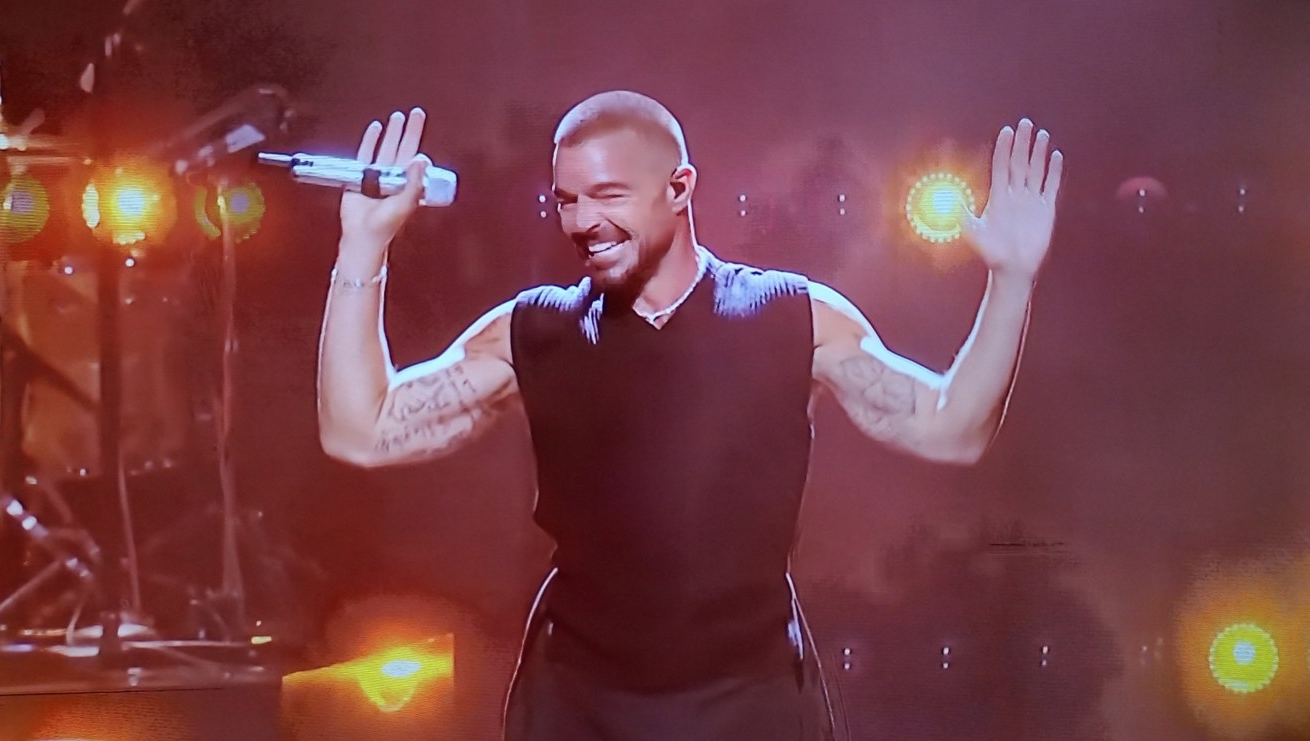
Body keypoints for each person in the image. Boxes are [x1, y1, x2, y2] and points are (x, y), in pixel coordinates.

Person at [316, 90, 1062, 741]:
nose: (583, 221)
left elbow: (951, 429)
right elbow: (361, 431)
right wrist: (363, 247)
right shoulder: (536, 329)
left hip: (750, 702)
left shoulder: (788, 316)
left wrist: (1012, 280)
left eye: (608, 195)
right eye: (568, 200)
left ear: (680, 187)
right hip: (578, 704)